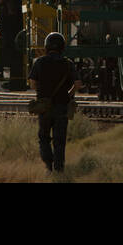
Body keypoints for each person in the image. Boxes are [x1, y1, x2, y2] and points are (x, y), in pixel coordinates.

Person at [28, 31, 82, 172]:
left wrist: (41, 93)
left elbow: (32, 83)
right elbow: (77, 84)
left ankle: (48, 165)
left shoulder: (39, 62)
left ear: (46, 46)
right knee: (60, 140)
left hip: (44, 106)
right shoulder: (68, 64)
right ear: (62, 47)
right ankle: (59, 168)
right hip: (62, 106)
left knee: (44, 137)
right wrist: (68, 95)